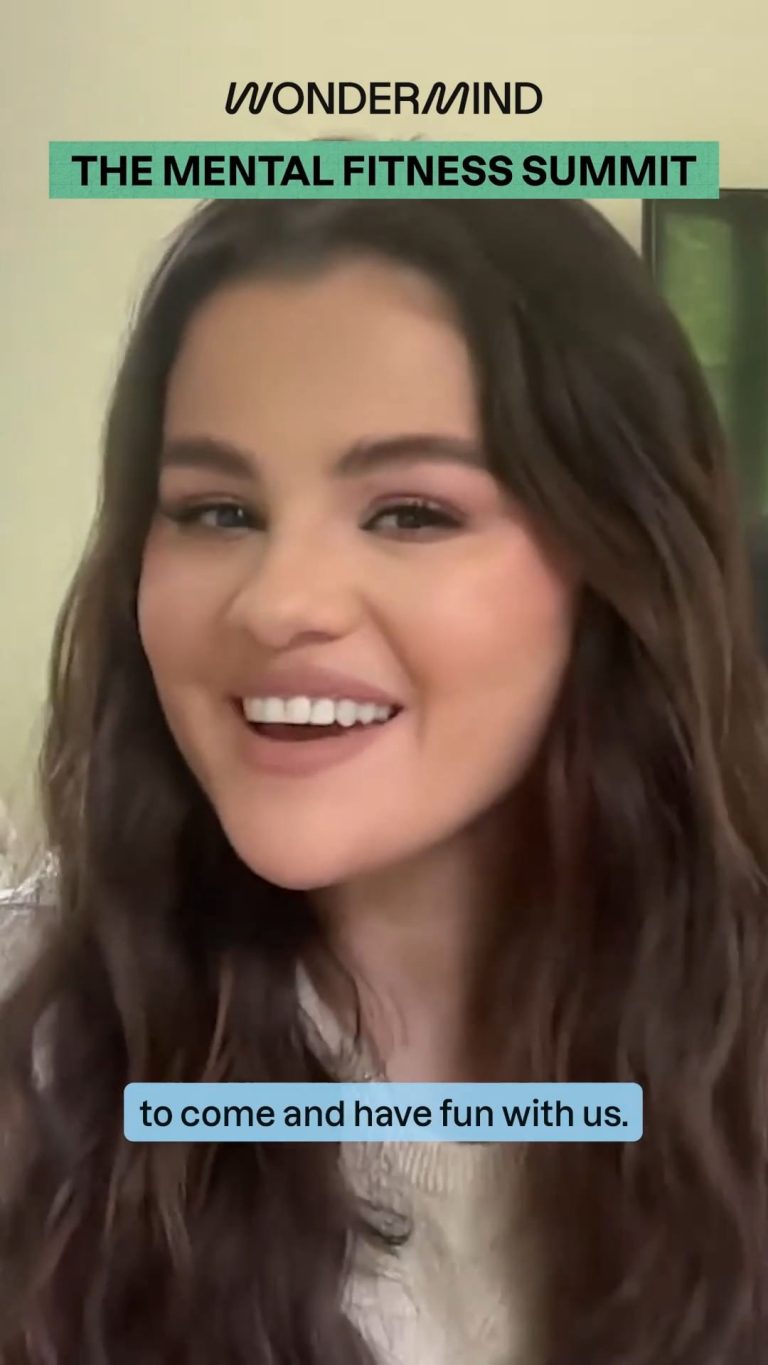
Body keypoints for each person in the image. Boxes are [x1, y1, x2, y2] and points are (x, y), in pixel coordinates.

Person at [1, 198, 767, 1365]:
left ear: (618, 564)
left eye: (410, 512)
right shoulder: (37, 1048)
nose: (277, 602)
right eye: (216, 510)